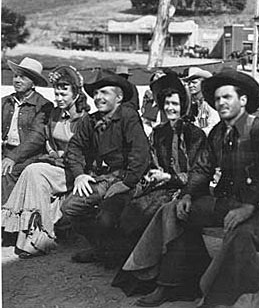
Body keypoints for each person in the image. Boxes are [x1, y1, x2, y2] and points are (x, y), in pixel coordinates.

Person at [114, 69, 259, 308]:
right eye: (217, 99)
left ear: (244, 100)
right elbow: (203, 169)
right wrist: (188, 194)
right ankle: (167, 284)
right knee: (172, 210)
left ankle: (239, 300)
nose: (221, 103)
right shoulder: (218, 132)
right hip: (225, 203)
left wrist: (249, 206)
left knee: (240, 236)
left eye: (227, 97)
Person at [112, 72, 208, 294]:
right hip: (164, 186)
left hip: (190, 190)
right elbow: (152, 162)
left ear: (183, 105)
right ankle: (143, 271)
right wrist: (152, 175)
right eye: (167, 103)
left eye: (175, 103)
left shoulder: (195, 134)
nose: (171, 108)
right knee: (132, 209)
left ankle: (157, 276)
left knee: (153, 213)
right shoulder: (158, 133)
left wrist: (172, 178)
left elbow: (199, 173)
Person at [61, 72, 150, 264]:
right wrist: (79, 175)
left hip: (129, 177)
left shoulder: (128, 116)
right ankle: (100, 248)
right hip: (104, 177)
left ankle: (115, 252)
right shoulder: (90, 120)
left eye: (105, 93)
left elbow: (141, 154)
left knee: (107, 216)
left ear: (118, 98)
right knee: (70, 207)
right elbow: (74, 147)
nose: (98, 97)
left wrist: (126, 183)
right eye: (96, 93)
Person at [1, 65, 90, 258]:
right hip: (55, 165)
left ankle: (40, 238)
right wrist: (52, 152)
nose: (58, 99)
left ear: (76, 94)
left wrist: (63, 159)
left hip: (76, 170)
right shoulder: (54, 115)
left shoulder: (85, 120)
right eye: (56, 94)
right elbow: (44, 138)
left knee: (34, 171)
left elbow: (88, 153)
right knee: (32, 171)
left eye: (63, 94)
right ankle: (28, 236)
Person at [2, 57, 54, 203]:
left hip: (30, 156)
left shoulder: (43, 105)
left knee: (7, 172)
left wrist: (13, 157)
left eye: (23, 77)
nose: (17, 80)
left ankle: (5, 217)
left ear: (33, 83)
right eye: (15, 76)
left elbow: (36, 137)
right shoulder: (5, 101)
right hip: (5, 151)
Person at [184, 67, 220, 135]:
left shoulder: (209, 103)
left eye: (194, 83)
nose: (191, 86)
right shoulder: (192, 104)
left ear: (202, 83)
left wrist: (196, 133)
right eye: (189, 83)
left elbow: (214, 127)